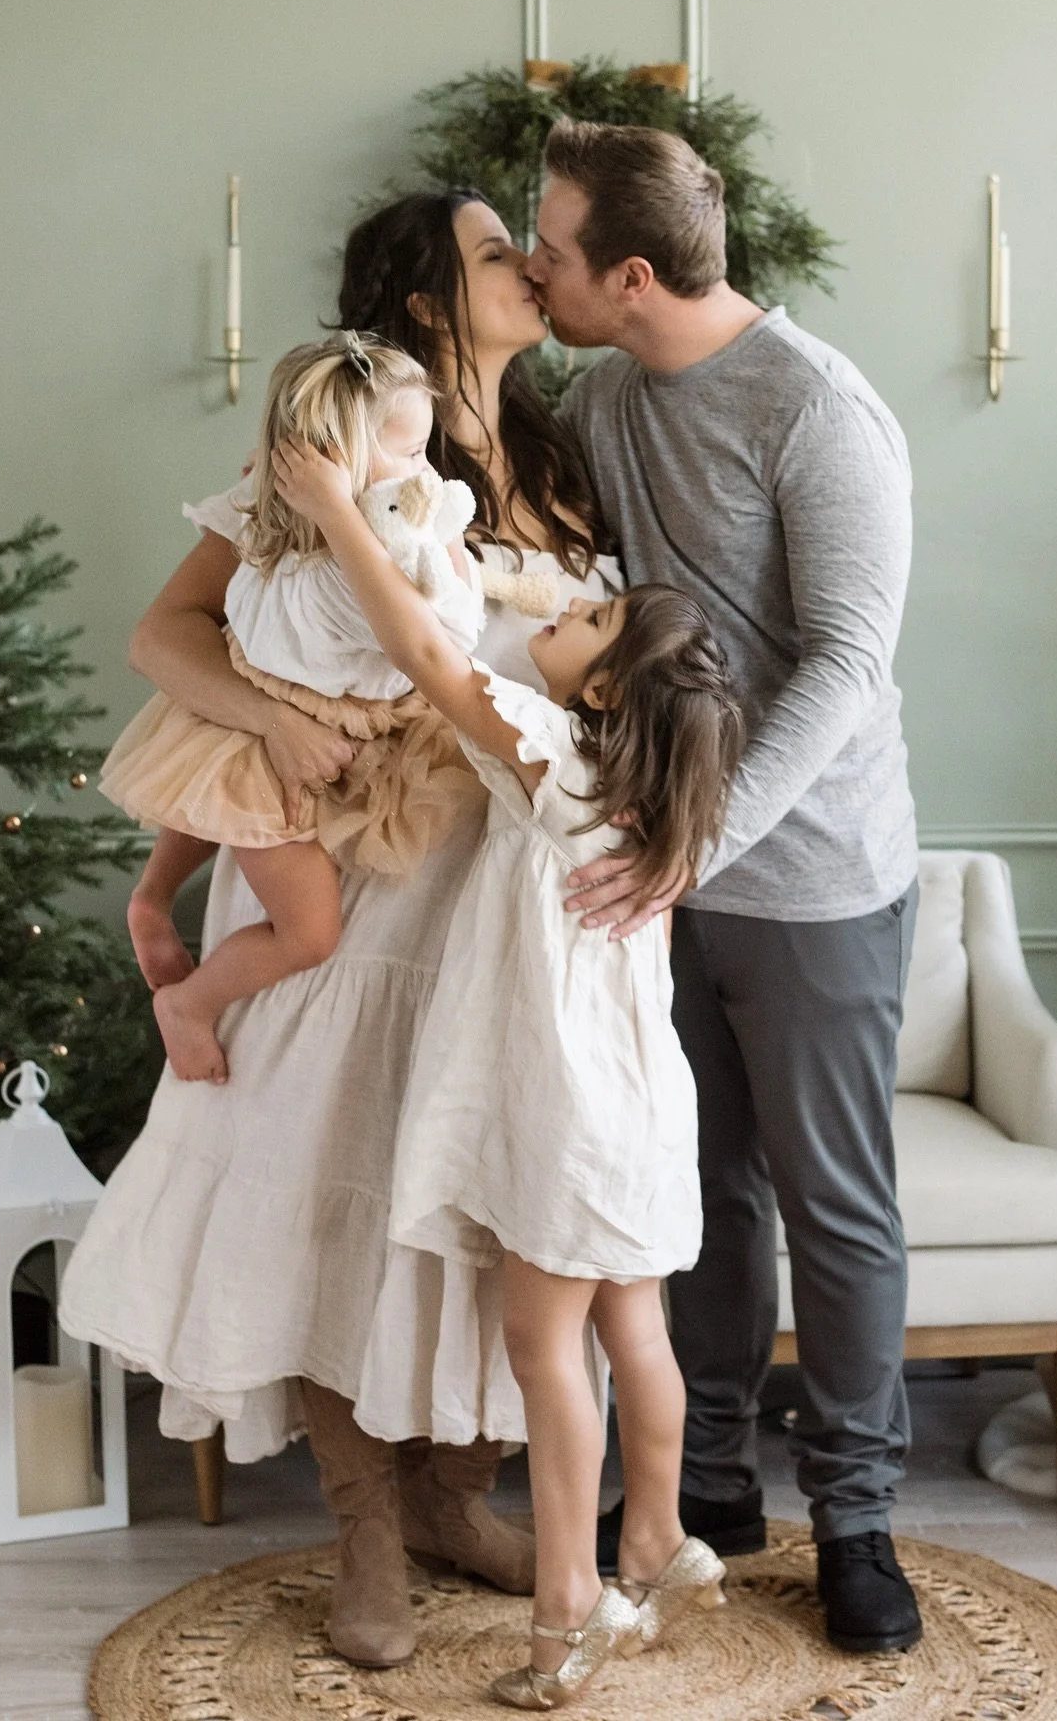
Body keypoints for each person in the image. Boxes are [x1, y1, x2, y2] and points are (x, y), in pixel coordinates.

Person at [60, 189, 619, 1670]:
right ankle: (365, 1522)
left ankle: (454, 1498)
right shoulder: (328, 448)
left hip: (497, 891)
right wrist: (279, 719)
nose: (531, 267)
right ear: (426, 295)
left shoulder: (563, 462)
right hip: (346, 879)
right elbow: (167, 636)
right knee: (331, 1184)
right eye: (497, 251)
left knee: (483, 1196)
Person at [525, 120, 923, 1655]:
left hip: (815, 877)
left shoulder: (818, 408)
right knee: (695, 1196)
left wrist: (707, 838)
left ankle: (859, 1520)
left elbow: (848, 663)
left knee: (834, 1204)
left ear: (632, 276)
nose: (537, 272)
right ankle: (708, 1489)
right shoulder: (602, 398)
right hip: (664, 876)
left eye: (554, 250)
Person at [274, 428, 740, 1708]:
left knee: (547, 1351)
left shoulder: (557, 762)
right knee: (634, 1326)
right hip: (642, 1110)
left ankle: (568, 1611)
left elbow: (431, 657)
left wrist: (337, 511)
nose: (563, 612)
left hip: (568, 1114)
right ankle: (660, 1533)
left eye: (588, 619)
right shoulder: (653, 807)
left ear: (606, 694)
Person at [101, 335, 483, 1083]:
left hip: (327, 719)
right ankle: (187, 1004)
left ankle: (152, 896)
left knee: (215, 792)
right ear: (332, 462)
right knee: (308, 932)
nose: (425, 475)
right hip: (271, 724)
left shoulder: (305, 529)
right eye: (409, 453)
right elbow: (443, 634)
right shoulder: (346, 560)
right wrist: (356, 519)